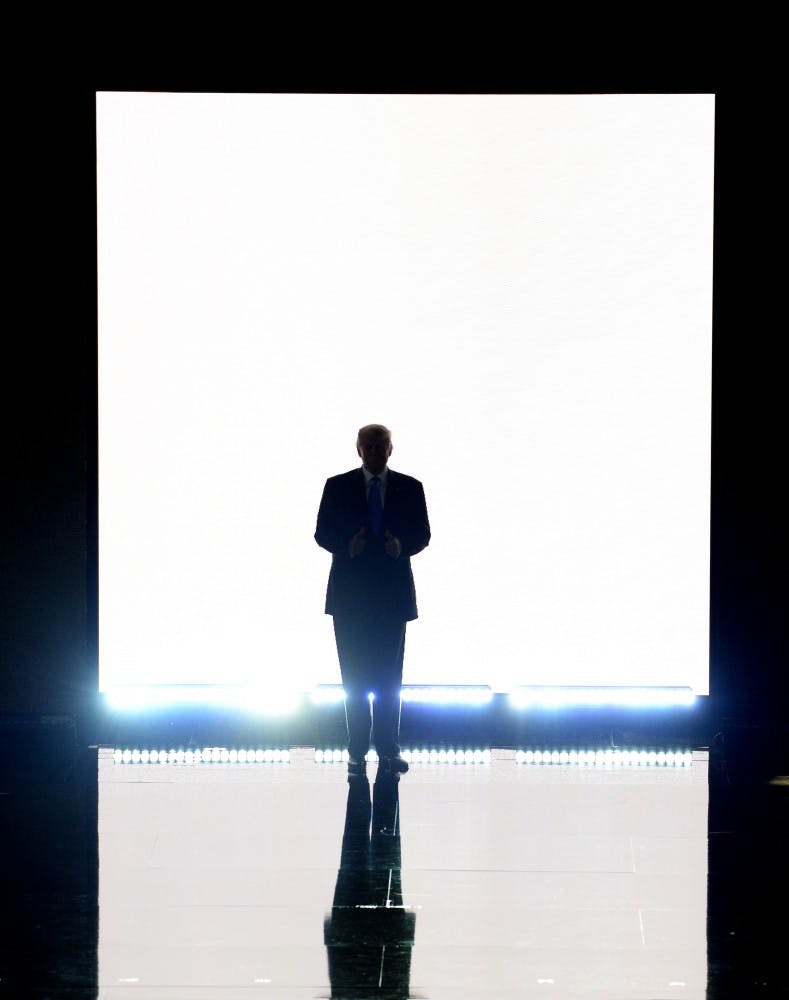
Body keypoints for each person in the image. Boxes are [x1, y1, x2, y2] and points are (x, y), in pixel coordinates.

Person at [315, 424, 430, 778]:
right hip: (351, 598)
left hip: (391, 598)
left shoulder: (411, 488)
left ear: (391, 449)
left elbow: (423, 534)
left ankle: (388, 750)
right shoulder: (337, 486)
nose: (376, 451)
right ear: (359, 449)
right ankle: (356, 751)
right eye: (370, 446)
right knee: (354, 678)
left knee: (388, 680)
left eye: (382, 445)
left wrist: (402, 547)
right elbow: (322, 533)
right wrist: (347, 546)